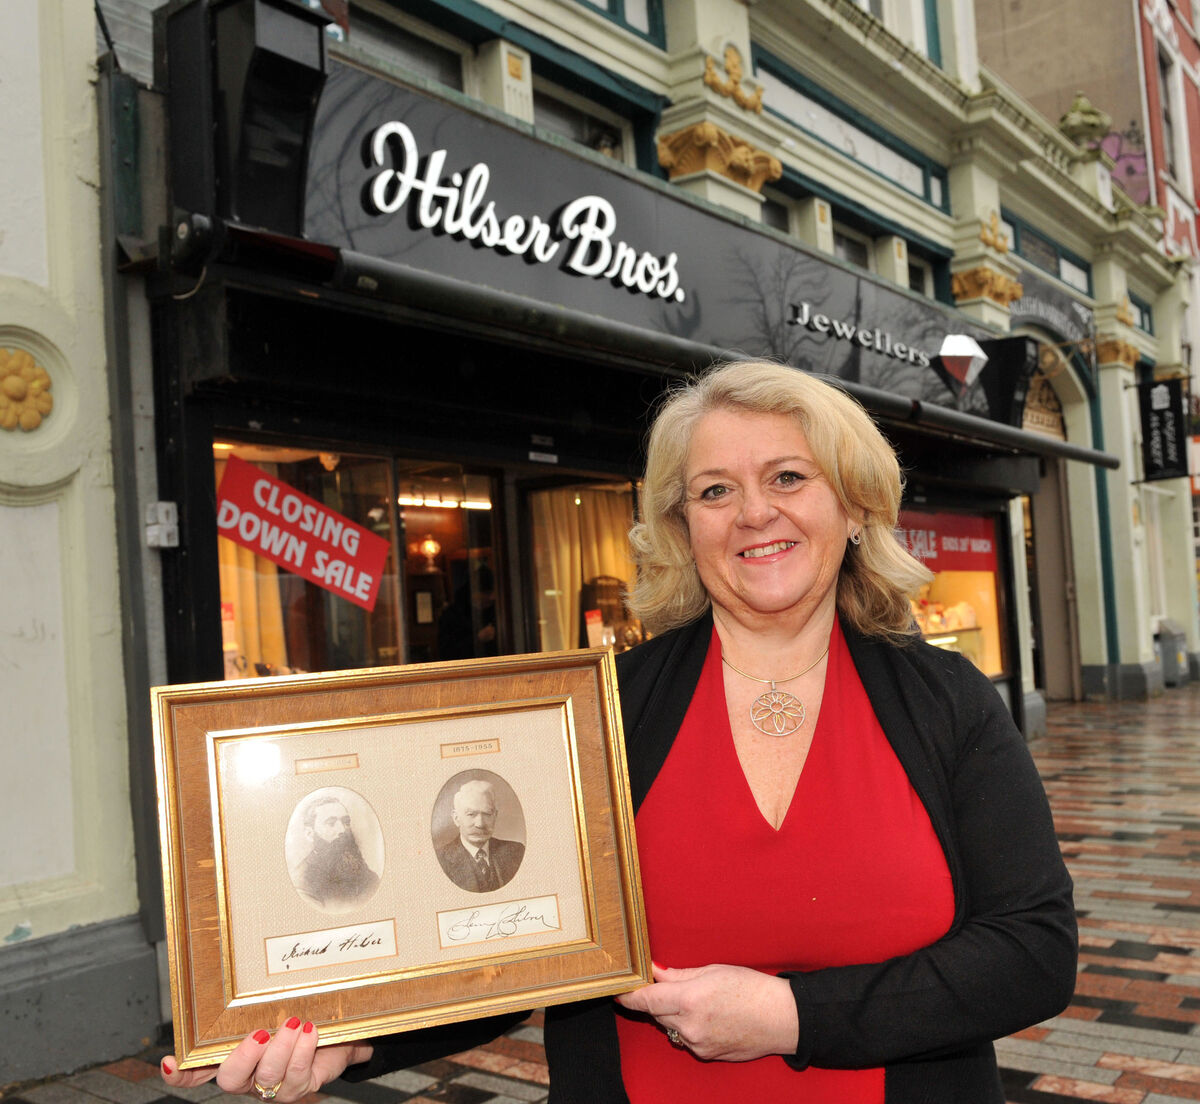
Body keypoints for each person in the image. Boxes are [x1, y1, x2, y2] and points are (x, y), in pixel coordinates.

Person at [161, 360, 1076, 1103]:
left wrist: (791, 1016)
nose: (756, 513)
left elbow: (1032, 952)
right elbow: (506, 942)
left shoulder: (945, 698)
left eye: (789, 478)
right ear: (683, 527)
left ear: (855, 503)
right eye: (716, 490)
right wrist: (352, 1039)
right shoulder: (602, 709)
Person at [435, 778, 525, 892]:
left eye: (487, 814)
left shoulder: (516, 852)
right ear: (456, 818)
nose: (480, 824)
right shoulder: (441, 860)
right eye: (471, 814)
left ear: (495, 816)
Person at [292, 794, 380, 911]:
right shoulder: (303, 884)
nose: (342, 830)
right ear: (310, 834)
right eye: (331, 823)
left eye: (346, 822)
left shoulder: (361, 870)